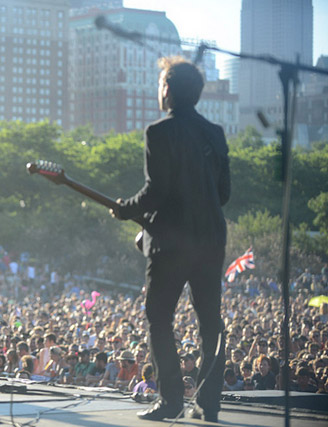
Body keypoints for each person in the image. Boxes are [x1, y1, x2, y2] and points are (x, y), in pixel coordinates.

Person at [111, 57, 230, 423]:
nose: (158, 89)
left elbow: (155, 191)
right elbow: (222, 193)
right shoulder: (216, 132)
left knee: (158, 317)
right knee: (210, 319)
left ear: (168, 90)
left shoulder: (158, 132)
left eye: (161, 83)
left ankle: (171, 400)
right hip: (211, 238)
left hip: (171, 243)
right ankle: (209, 401)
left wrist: (125, 208)